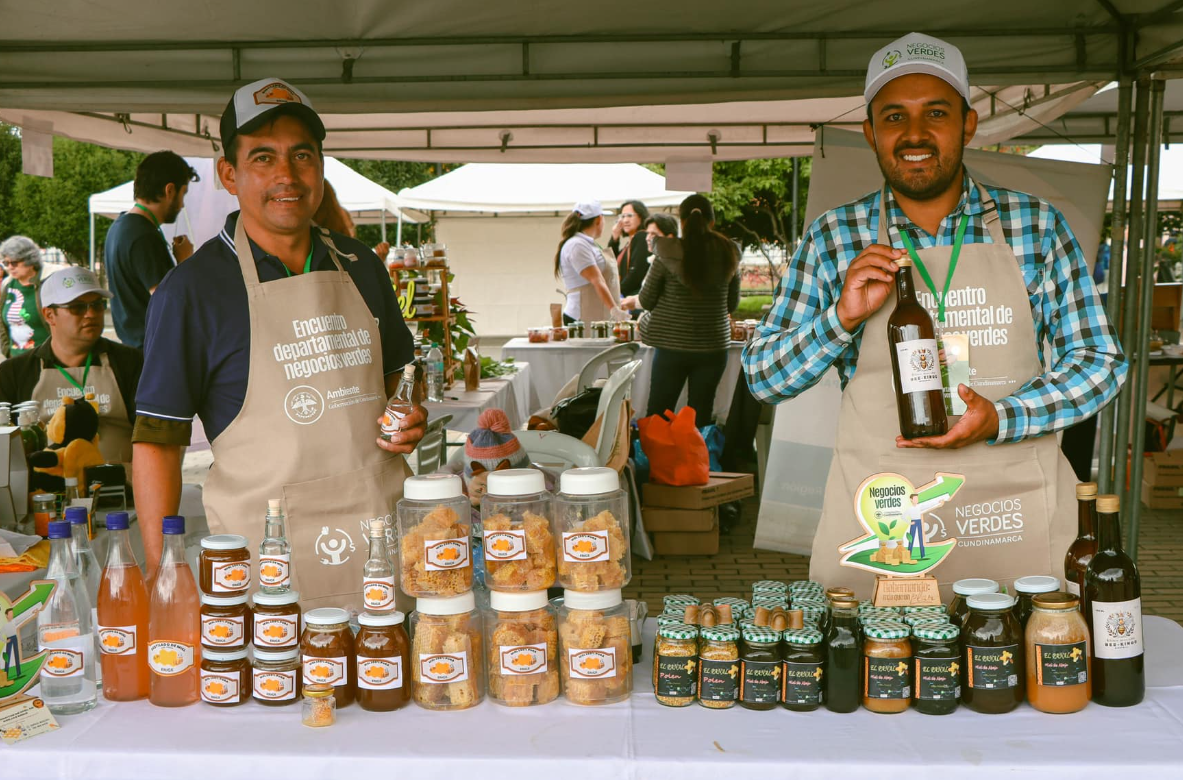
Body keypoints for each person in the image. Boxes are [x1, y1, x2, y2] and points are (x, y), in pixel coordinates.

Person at [742, 32, 1127, 597]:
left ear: (968, 125)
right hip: (889, 515)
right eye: (894, 116)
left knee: (1025, 670)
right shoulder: (833, 238)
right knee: (882, 673)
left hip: (1012, 509)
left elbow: (1101, 362)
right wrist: (839, 320)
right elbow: (762, 378)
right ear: (871, 133)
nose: (915, 134)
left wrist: (1004, 416)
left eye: (936, 113)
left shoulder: (1037, 227)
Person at [132, 77, 427, 610]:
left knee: (388, 684)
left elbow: (400, 380)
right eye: (263, 157)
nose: (287, 176)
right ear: (229, 174)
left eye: (302, 156)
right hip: (267, 557)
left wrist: (409, 415)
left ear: (320, 166)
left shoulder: (363, 266)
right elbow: (157, 442)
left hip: (381, 537)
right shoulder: (191, 292)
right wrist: (163, 574)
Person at [0, 267, 141, 471]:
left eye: (97, 305)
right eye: (77, 307)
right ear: (49, 315)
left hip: (123, 489)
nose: (91, 314)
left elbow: (154, 434)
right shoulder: (13, 374)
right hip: (44, 494)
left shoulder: (132, 363)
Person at [636, 194, 739, 425]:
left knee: (659, 413)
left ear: (681, 221)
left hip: (671, 345)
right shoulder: (728, 253)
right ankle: (694, 461)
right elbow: (731, 305)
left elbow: (646, 300)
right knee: (700, 414)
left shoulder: (665, 254)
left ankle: (658, 460)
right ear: (711, 222)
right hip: (713, 347)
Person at [104, 151, 199, 349]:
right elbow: (168, 303)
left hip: (136, 348)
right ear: (169, 190)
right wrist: (185, 262)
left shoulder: (120, 226)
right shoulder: (143, 236)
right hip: (152, 351)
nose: (182, 204)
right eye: (183, 194)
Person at [555, 201, 627, 325]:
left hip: (594, 314)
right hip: (581, 316)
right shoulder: (577, 245)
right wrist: (614, 309)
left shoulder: (588, 243)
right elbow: (597, 280)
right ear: (599, 219)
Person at [0, 236, 49, 357]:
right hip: (17, 362)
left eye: (14, 262)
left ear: (30, 260)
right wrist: (7, 351)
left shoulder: (46, 284)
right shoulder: (7, 285)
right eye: (6, 263)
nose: (10, 267)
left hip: (45, 360)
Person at [608, 200, 652, 297]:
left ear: (641, 216)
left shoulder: (641, 237)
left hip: (634, 298)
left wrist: (617, 293)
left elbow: (636, 273)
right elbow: (610, 263)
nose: (625, 220)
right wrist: (614, 238)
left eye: (630, 216)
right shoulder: (631, 242)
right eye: (623, 216)